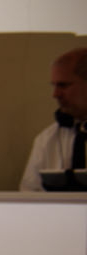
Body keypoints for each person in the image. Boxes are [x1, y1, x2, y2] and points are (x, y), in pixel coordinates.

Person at [19, 47, 87, 191]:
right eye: (54, 85)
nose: (55, 94)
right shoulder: (46, 140)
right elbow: (28, 195)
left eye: (63, 85)